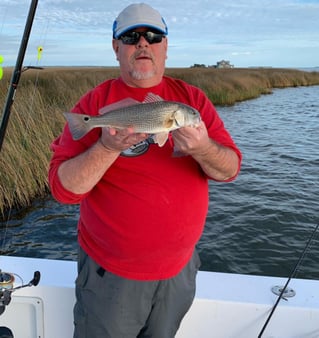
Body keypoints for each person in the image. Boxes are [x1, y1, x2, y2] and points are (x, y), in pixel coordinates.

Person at [48, 3, 242, 338]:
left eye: (153, 36)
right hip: (111, 276)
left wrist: (201, 148)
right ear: (116, 47)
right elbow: (63, 190)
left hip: (179, 272)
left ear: (165, 47)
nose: (143, 43)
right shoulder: (93, 104)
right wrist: (107, 147)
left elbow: (229, 170)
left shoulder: (192, 100)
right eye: (130, 36)